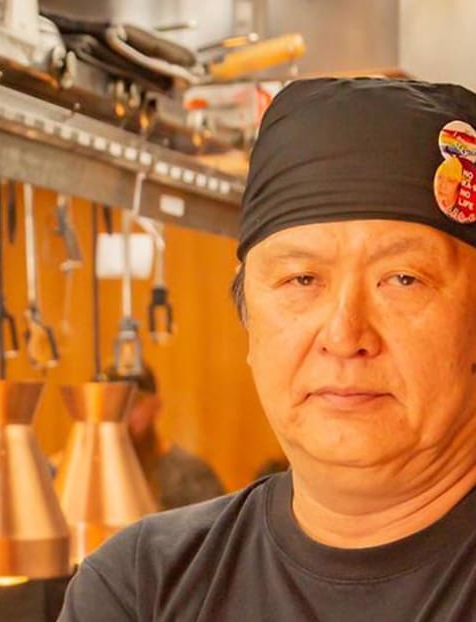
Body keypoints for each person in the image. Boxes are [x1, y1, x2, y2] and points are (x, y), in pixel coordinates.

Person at [59, 77, 476, 620]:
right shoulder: (140, 587)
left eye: (402, 279)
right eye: (302, 280)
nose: (345, 336)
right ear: (249, 323)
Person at [105, 365, 224, 510]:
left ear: (156, 406)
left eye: (133, 402)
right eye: (111, 403)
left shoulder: (190, 475)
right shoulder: (96, 472)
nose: (122, 414)